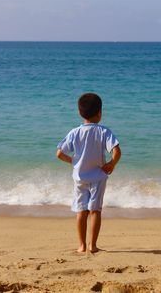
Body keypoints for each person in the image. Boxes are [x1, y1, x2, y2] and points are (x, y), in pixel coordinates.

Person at [56, 93, 121, 253]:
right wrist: (111, 164)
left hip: (80, 177)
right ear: (100, 112)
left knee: (81, 211)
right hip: (98, 177)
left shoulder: (74, 133)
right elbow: (117, 151)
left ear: (80, 113)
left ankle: (81, 245)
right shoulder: (104, 132)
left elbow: (59, 153)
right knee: (95, 211)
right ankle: (93, 245)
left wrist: (73, 161)